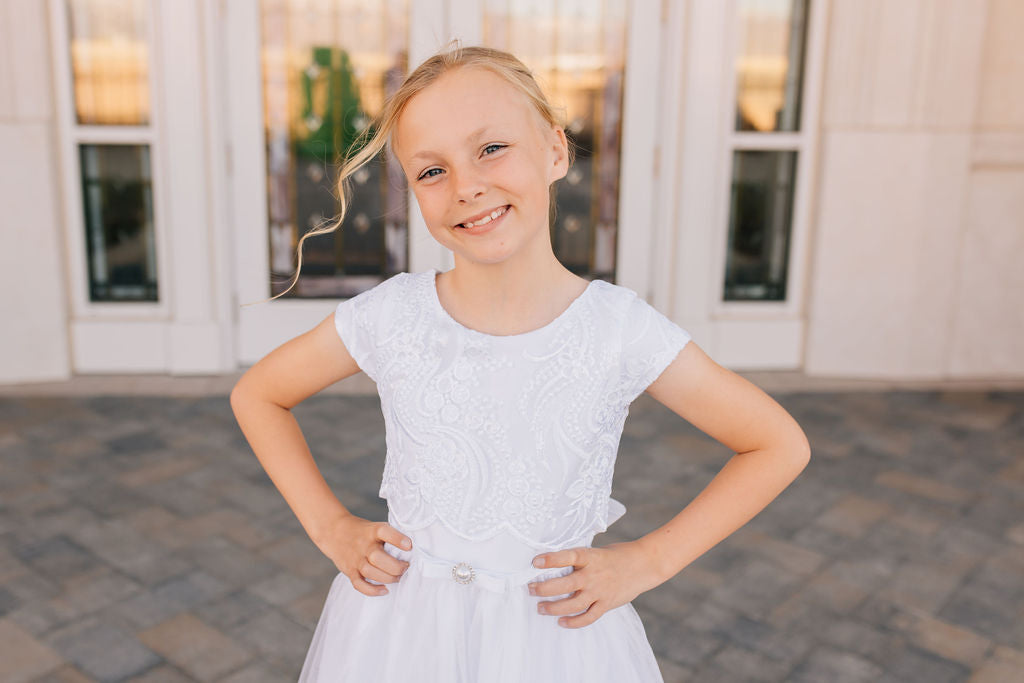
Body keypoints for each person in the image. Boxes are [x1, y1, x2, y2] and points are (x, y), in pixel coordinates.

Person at [230, 41, 811, 683]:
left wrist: (649, 561)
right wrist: (330, 527)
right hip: (399, 636)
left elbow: (777, 444)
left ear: (556, 151)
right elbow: (259, 394)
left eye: (491, 148)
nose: (467, 187)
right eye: (432, 171)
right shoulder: (392, 317)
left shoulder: (618, 329)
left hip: (556, 642)